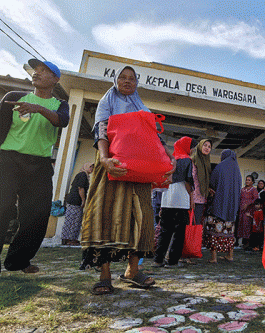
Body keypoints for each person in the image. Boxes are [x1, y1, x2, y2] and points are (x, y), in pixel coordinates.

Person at [80, 66, 175, 295]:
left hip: (138, 170)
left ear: (137, 83)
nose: (127, 81)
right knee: (105, 213)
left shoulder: (142, 107)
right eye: (122, 77)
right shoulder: (107, 102)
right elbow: (101, 131)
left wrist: (167, 163)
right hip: (112, 165)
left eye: (131, 78)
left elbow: (154, 140)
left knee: (141, 216)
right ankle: (105, 275)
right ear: (115, 80)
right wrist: (104, 158)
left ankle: (133, 271)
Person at [0, 58, 69, 273]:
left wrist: (37, 108)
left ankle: (18, 262)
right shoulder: (13, 98)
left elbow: (62, 121)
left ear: (55, 79)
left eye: (43, 71)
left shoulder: (60, 105)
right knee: (2, 209)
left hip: (39, 165)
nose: (36, 73)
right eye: (35, 70)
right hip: (8, 160)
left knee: (38, 215)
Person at [153, 136, 196, 268]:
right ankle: (172, 261)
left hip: (167, 199)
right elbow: (188, 181)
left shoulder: (170, 159)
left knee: (164, 231)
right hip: (181, 200)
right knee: (178, 233)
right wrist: (192, 197)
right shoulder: (187, 160)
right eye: (192, 147)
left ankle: (158, 260)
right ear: (187, 147)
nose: (193, 150)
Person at [203, 149, 241, 263]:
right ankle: (230, 255)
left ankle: (214, 258)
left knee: (214, 231)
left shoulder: (219, 168)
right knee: (229, 232)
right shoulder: (237, 171)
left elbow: (212, 184)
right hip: (232, 208)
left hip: (218, 206)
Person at [61, 162, 94, 246]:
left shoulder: (83, 175)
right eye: (90, 167)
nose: (92, 169)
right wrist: (83, 200)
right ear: (86, 167)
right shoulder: (83, 175)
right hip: (75, 201)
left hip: (73, 200)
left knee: (74, 219)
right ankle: (69, 239)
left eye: (92, 167)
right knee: (73, 220)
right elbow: (80, 188)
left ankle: (69, 239)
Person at [191, 139, 213, 225]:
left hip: (201, 198)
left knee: (196, 224)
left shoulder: (207, 163)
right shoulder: (193, 160)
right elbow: (190, 180)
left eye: (209, 147)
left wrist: (208, 189)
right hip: (192, 198)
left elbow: (204, 181)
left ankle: (193, 239)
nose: (207, 148)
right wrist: (191, 198)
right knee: (189, 224)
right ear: (200, 146)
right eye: (205, 145)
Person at [237, 175, 259, 248]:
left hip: (249, 211)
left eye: (249, 180)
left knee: (247, 225)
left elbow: (256, 199)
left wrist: (248, 204)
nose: (247, 181)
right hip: (242, 210)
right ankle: (241, 242)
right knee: (241, 225)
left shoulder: (253, 190)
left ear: (252, 182)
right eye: (246, 180)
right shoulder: (242, 189)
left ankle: (248, 242)